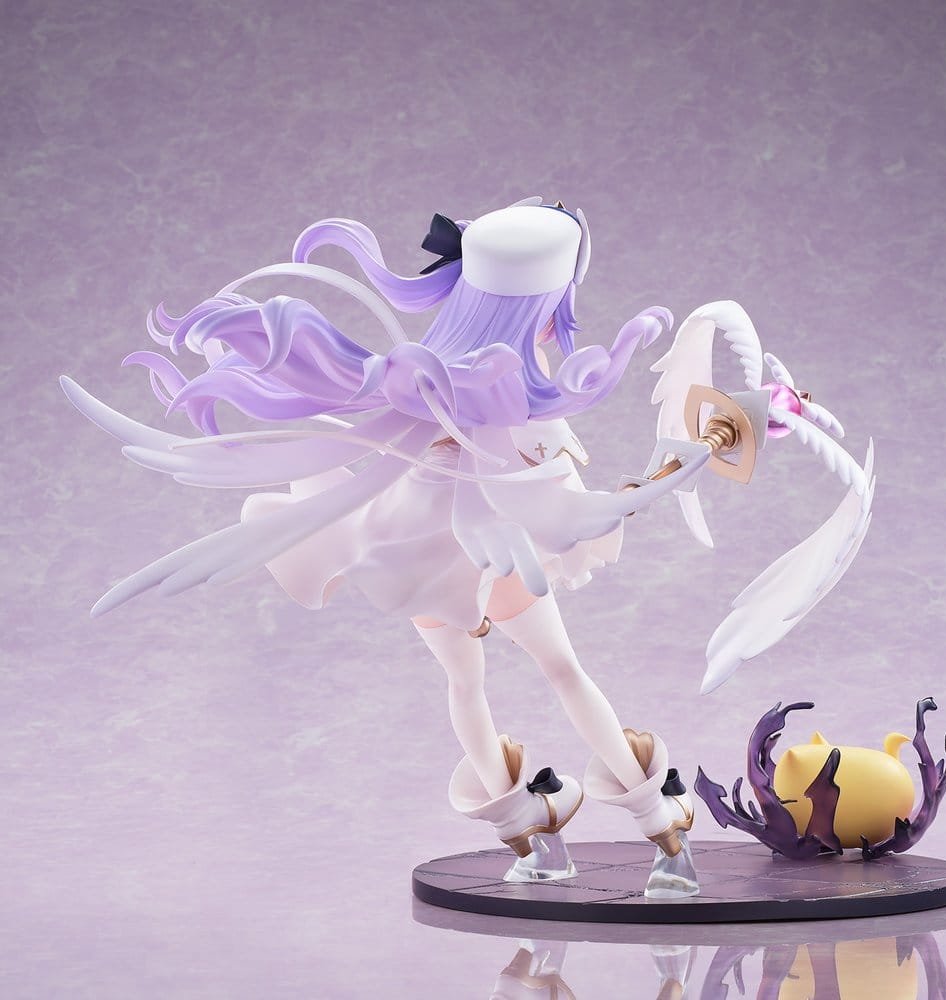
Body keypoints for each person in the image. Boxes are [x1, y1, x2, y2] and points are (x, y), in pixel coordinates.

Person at [62, 198, 717, 889]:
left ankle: (529, 838)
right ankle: (661, 830)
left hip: (413, 568)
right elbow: (560, 508)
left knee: (465, 685)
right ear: (545, 311)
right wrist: (653, 483)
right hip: (493, 564)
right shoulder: (514, 406)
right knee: (563, 671)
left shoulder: (412, 387)